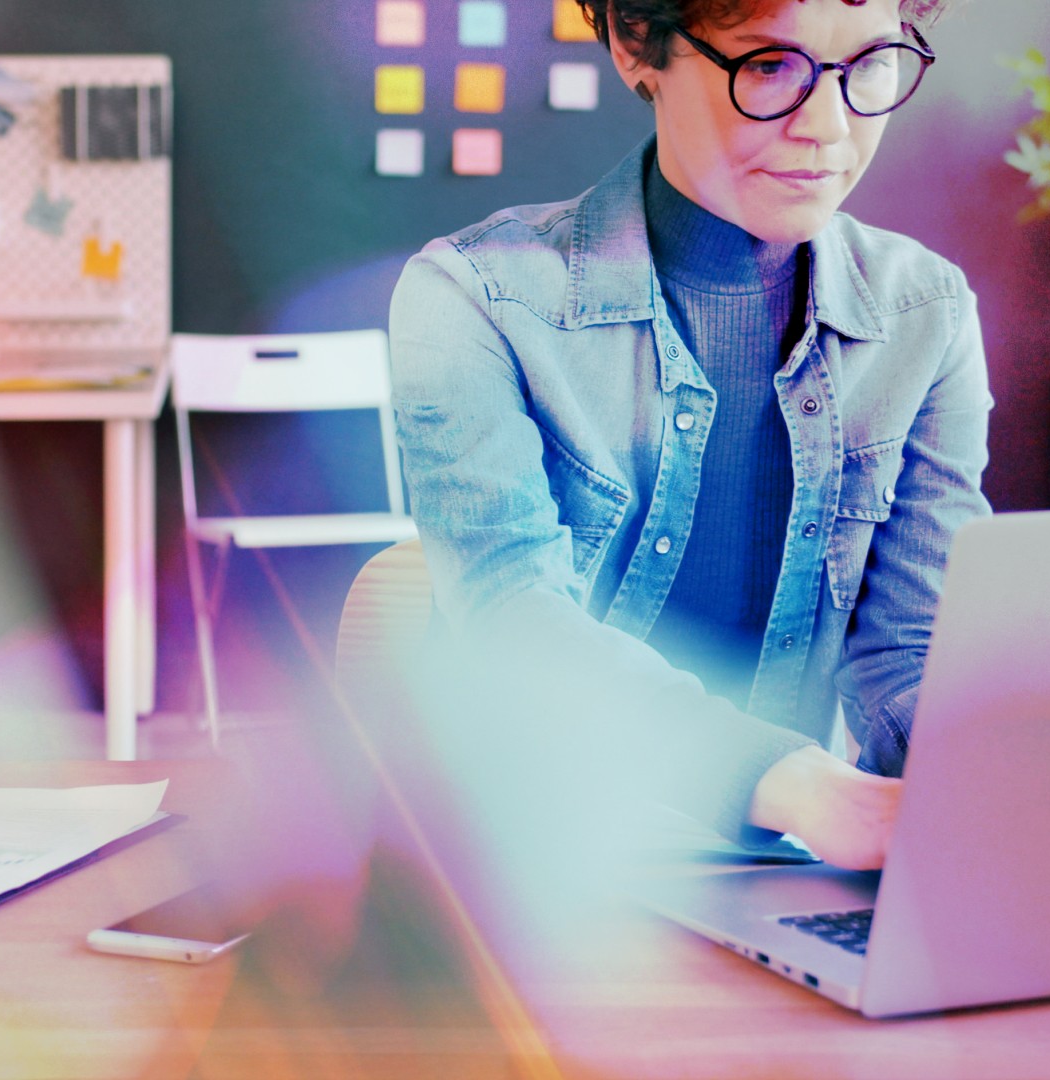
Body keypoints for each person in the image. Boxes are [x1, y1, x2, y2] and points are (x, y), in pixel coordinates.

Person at [387, 0, 989, 871]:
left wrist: (1002, 777)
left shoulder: (925, 314)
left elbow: (911, 650)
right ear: (638, 41)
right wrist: (797, 786)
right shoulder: (473, 299)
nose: (828, 128)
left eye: (869, 64)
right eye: (770, 66)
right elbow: (515, 620)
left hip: (772, 872)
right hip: (520, 871)